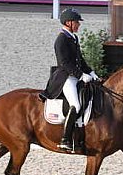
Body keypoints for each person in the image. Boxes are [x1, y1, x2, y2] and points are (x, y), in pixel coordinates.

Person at [41, 8, 99, 152]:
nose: (79, 25)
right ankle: (65, 139)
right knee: (76, 105)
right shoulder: (61, 40)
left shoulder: (73, 37)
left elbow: (80, 59)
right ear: (69, 23)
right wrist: (81, 75)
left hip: (75, 76)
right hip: (66, 78)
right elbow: (65, 63)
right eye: (77, 22)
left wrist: (91, 72)